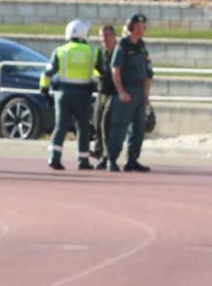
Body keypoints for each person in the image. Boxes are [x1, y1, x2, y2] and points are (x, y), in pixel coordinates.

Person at [39, 19, 100, 170]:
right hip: (83, 94)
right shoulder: (93, 52)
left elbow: (47, 73)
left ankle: (54, 157)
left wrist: (45, 90)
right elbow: (100, 74)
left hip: (62, 94)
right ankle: (83, 160)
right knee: (83, 127)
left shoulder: (60, 51)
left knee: (60, 126)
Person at [106, 14, 154, 172]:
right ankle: (112, 159)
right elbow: (115, 70)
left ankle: (132, 159)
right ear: (131, 28)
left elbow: (148, 72)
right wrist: (120, 91)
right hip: (127, 91)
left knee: (139, 128)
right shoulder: (123, 46)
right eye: (139, 26)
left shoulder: (141, 45)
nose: (142, 30)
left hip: (139, 92)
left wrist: (146, 96)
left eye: (144, 26)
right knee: (119, 126)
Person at [91, 23, 118, 169]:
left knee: (106, 123)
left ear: (114, 36)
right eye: (101, 36)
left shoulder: (119, 52)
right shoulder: (98, 53)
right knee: (97, 122)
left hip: (114, 92)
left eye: (107, 36)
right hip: (101, 91)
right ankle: (100, 153)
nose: (104, 39)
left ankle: (109, 157)